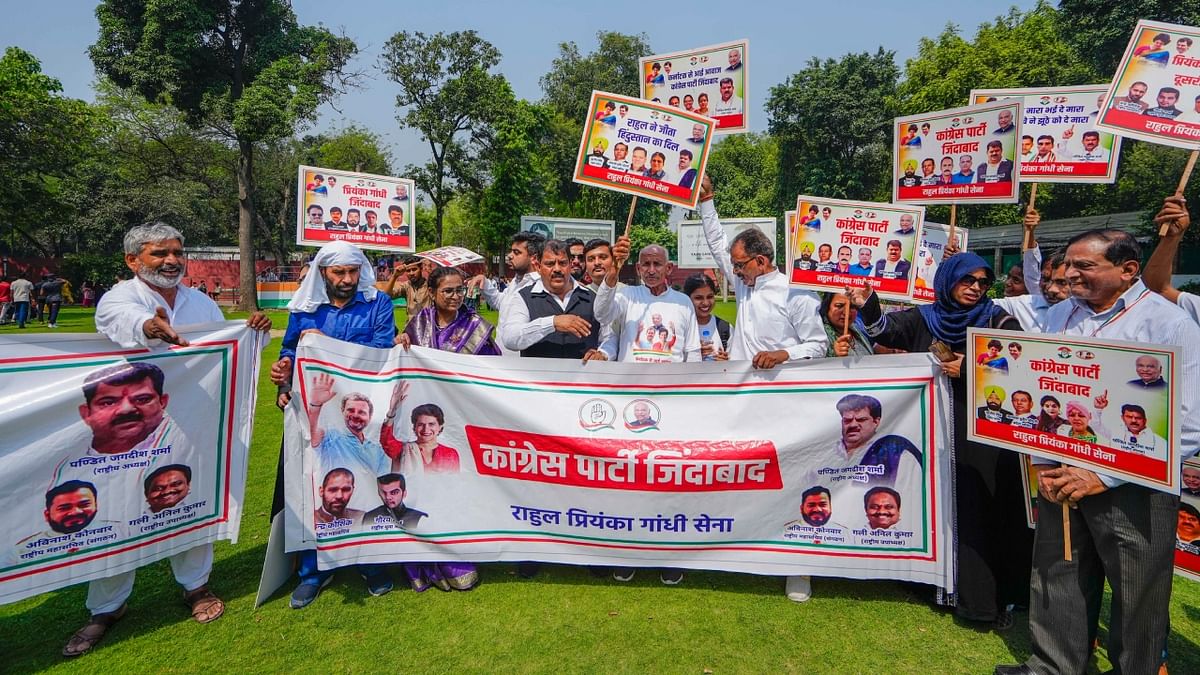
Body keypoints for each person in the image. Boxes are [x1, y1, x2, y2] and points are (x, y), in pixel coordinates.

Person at [995, 227, 1200, 675]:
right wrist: (1045, 459)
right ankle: (1054, 665)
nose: (1069, 274)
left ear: (1128, 270)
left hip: (1135, 485)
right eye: (1067, 264)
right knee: (1057, 572)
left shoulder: (1168, 324)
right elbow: (1036, 383)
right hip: (1062, 469)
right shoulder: (1060, 315)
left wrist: (1104, 475)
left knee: (1138, 591)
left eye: (1084, 265)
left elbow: (1188, 423)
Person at [61, 222, 270, 656]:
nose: (172, 260)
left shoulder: (198, 302)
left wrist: (254, 333)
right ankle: (106, 608)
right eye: (159, 254)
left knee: (190, 496)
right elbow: (116, 319)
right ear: (133, 260)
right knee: (118, 507)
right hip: (130, 431)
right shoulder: (123, 297)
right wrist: (150, 327)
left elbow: (221, 351)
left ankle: (196, 587)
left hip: (188, 419)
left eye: (177, 252)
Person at [849, 252, 1030, 629]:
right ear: (948, 281)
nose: (976, 288)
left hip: (983, 441)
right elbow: (884, 330)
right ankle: (936, 586)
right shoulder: (927, 316)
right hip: (933, 434)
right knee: (938, 509)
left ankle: (982, 602)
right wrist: (866, 302)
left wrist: (973, 369)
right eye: (968, 281)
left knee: (979, 513)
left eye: (982, 282)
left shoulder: (1000, 321)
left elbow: (1022, 370)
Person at [270, 240, 396, 610]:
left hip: (360, 412)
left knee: (366, 485)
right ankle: (313, 571)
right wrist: (282, 375)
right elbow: (290, 351)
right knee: (311, 485)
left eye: (353, 272)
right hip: (314, 411)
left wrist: (325, 343)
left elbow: (380, 352)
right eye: (339, 272)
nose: (347, 279)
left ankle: (370, 565)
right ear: (323, 272)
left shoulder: (377, 304)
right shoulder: (305, 308)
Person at [499, 239, 609, 577]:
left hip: (583, 404)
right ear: (538, 265)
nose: (557, 269)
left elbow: (610, 334)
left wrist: (604, 351)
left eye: (562, 263)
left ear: (570, 265)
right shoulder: (523, 298)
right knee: (540, 475)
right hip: (540, 403)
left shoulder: (591, 297)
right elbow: (511, 338)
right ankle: (535, 547)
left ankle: (591, 548)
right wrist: (554, 322)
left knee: (586, 475)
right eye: (550, 264)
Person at [595, 240, 700, 364]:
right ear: (638, 269)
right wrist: (613, 271)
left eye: (657, 264)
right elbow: (602, 315)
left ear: (669, 268)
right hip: (632, 380)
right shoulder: (627, 295)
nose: (651, 270)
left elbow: (692, 351)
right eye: (646, 264)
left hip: (670, 381)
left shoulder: (683, 302)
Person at [400, 265, 500, 356]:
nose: (456, 296)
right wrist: (400, 341)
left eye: (460, 290)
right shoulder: (421, 322)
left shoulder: (474, 325)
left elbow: (490, 363)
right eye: (448, 291)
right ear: (431, 293)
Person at [1092, 396, 1167, 460]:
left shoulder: (1160, 442)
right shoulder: (1116, 432)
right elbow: (1095, 425)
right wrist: (1098, 409)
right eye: (1129, 417)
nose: (1134, 421)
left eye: (1138, 418)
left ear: (1145, 420)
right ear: (1122, 418)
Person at [683, 274, 730, 362]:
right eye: (698, 298)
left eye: (710, 297)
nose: (705, 303)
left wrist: (725, 362)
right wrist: (694, 355)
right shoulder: (680, 328)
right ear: (687, 299)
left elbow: (736, 362)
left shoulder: (724, 327)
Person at [361, 473, 426, 531]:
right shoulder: (369, 517)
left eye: (394, 492)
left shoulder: (419, 518)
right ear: (378, 493)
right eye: (384, 493)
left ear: (404, 493)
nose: (388, 497)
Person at [819, 292, 873, 358]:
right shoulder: (819, 335)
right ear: (827, 306)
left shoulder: (857, 329)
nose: (846, 312)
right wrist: (834, 356)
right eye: (839, 306)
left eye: (852, 306)